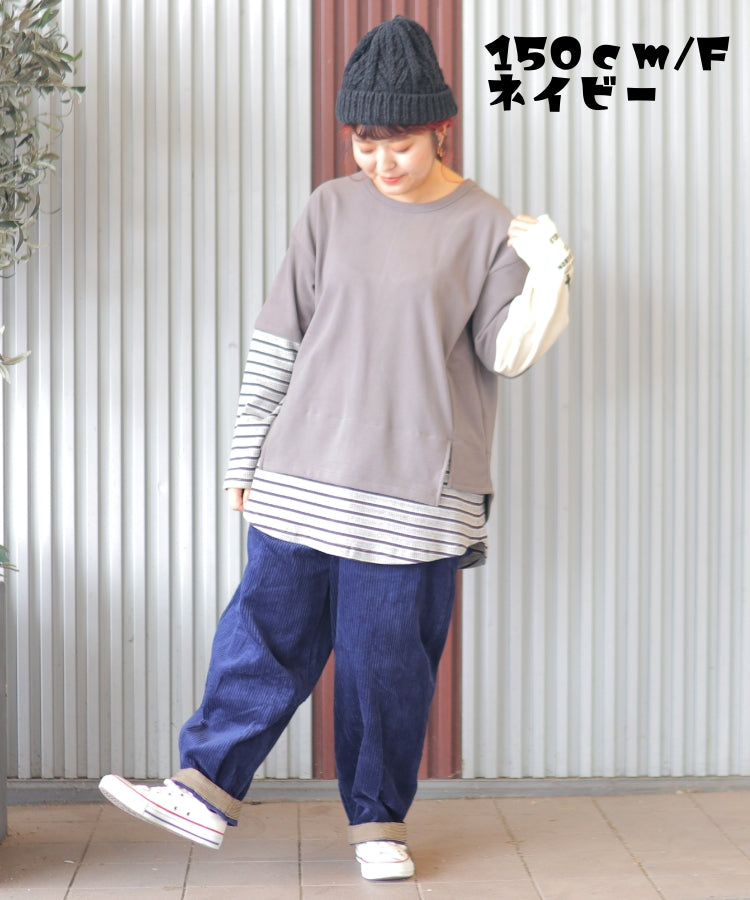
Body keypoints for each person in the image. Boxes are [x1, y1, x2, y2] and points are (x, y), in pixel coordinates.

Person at [99, 16, 573, 883]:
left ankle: (378, 825)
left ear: (441, 128)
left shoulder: (488, 227)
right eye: (364, 140)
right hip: (302, 470)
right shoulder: (329, 207)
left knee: (384, 666)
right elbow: (278, 340)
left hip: (416, 491)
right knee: (261, 637)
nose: (380, 160)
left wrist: (548, 274)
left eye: (399, 142)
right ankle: (204, 790)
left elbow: (507, 355)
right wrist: (244, 459)